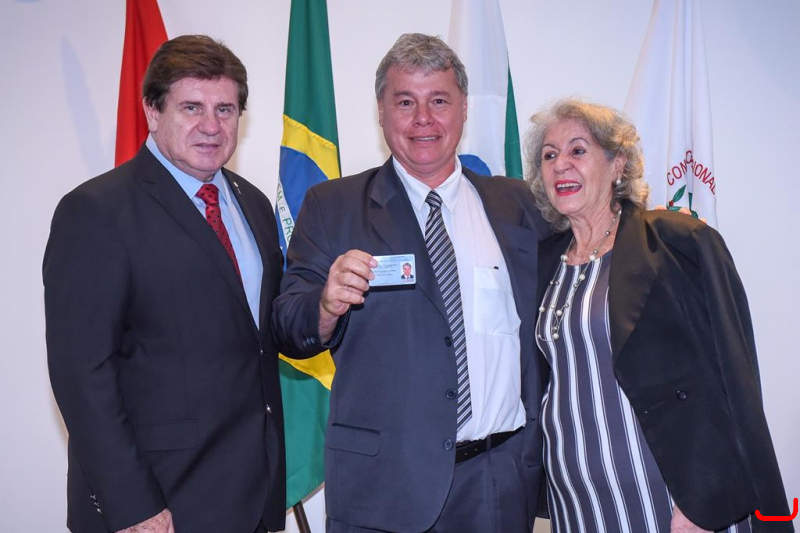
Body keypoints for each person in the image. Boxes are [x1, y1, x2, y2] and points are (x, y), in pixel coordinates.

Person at [272, 33, 550, 532]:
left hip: (498, 484)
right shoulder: (332, 207)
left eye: (439, 100)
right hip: (384, 490)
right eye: (405, 102)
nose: (424, 119)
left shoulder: (520, 206)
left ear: (463, 109)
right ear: (381, 112)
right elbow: (288, 326)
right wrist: (325, 304)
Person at [44, 35, 285, 533]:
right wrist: (134, 507)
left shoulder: (255, 205)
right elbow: (82, 374)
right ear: (152, 112)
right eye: (192, 107)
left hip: (251, 498)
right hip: (157, 505)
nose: (211, 126)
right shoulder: (97, 212)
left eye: (225, 109)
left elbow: (260, 342)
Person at [527, 98, 793, 533]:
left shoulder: (676, 243)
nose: (560, 165)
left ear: (618, 163)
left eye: (578, 150)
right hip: (577, 502)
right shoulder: (542, 265)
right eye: (549, 155)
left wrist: (705, 499)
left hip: (668, 499)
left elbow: (732, 377)